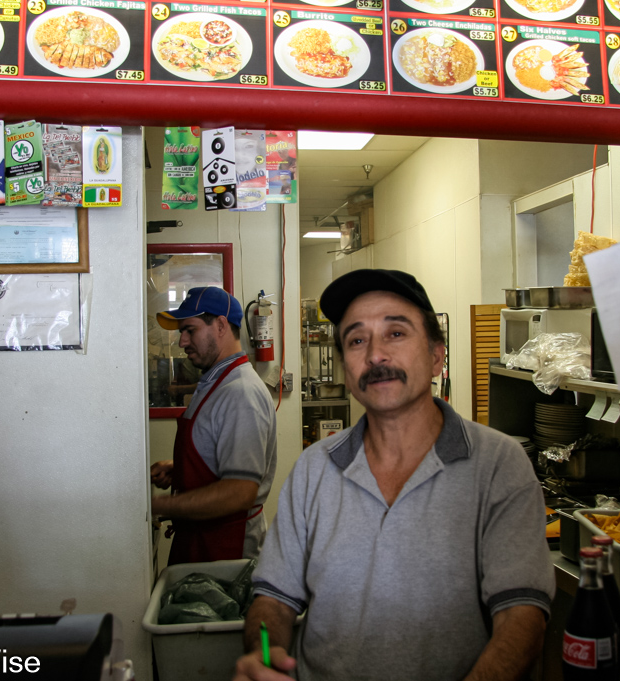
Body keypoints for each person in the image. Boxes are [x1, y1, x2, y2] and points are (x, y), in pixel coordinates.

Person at [234, 269, 554, 681]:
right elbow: (272, 600)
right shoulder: (312, 471)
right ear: (346, 368)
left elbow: (522, 616)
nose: (375, 355)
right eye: (356, 340)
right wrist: (264, 655)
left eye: (396, 334)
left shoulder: (498, 465)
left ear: (437, 355)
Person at [151, 286, 277, 565]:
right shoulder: (216, 382)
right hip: (201, 539)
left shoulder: (240, 392)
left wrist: (156, 507)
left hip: (225, 547)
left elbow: (239, 492)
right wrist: (181, 470)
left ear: (220, 325)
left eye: (190, 330)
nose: (182, 341)